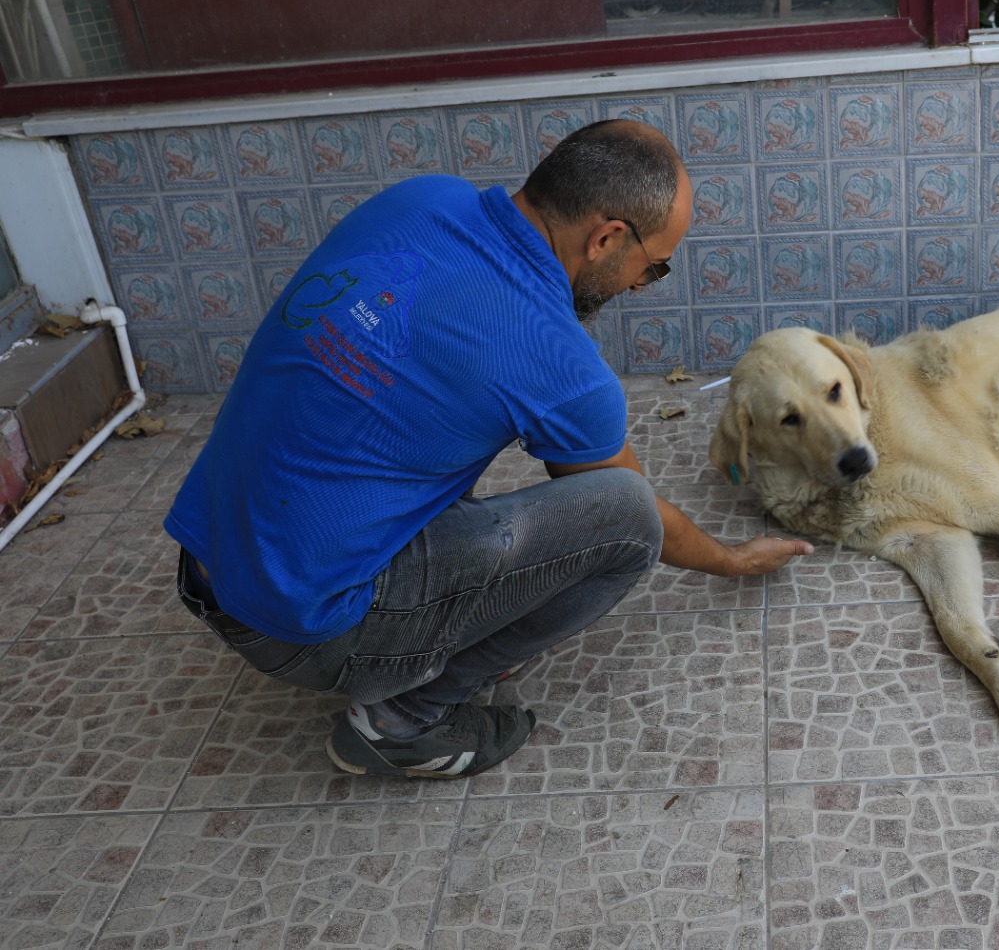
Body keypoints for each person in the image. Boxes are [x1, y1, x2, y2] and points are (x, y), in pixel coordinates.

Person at [163, 119, 812, 779]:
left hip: (205, 561)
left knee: (417, 420)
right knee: (625, 517)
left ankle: (398, 638)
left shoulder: (418, 200)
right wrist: (730, 560)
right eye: (654, 266)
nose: (642, 285)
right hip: (300, 630)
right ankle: (402, 721)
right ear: (607, 237)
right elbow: (630, 512)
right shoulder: (558, 360)